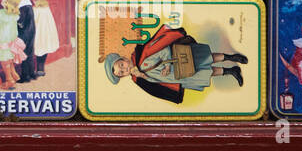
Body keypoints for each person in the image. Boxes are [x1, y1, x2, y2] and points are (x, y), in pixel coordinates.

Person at [105, 25, 247, 103]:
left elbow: (164, 51)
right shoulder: (138, 79)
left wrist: (166, 66)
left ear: (123, 59)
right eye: (121, 73)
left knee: (206, 58)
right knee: (205, 74)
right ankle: (231, 71)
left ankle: (231, 57)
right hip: (179, 76)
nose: (124, 69)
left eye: (121, 65)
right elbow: (155, 85)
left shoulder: (141, 55)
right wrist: (142, 76)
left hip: (178, 59)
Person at [32, 0, 59, 77]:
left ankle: (35, 69)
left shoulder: (35, 10)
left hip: (39, 33)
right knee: (43, 51)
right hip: (46, 33)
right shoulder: (46, 7)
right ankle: (40, 68)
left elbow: (34, 22)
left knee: (38, 49)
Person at [16, 0, 38, 83]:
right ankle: (32, 73)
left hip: (25, 33)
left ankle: (25, 76)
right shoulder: (26, 3)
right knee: (29, 52)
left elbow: (20, 21)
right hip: (30, 30)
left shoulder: (24, 6)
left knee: (24, 54)